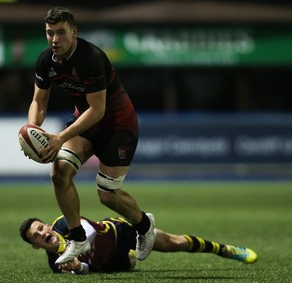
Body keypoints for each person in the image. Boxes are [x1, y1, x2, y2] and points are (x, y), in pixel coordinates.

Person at [26, 6, 155, 265]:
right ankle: (77, 236)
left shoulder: (91, 58)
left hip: (118, 125)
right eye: (50, 33)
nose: (54, 39)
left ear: (74, 32)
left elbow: (98, 110)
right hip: (86, 123)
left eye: (60, 33)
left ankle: (144, 226)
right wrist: (34, 131)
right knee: (59, 173)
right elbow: (39, 103)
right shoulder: (45, 61)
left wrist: (60, 137)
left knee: (107, 195)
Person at [19, 214, 258, 274]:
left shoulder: (63, 223)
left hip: (120, 233)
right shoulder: (55, 264)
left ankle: (227, 250)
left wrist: (79, 248)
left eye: (41, 227)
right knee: (131, 263)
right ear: (35, 246)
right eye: (36, 236)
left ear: (47, 226)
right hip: (111, 263)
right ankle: (131, 257)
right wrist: (79, 268)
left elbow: (90, 229)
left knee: (175, 243)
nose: (42, 233)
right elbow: (88, 270)